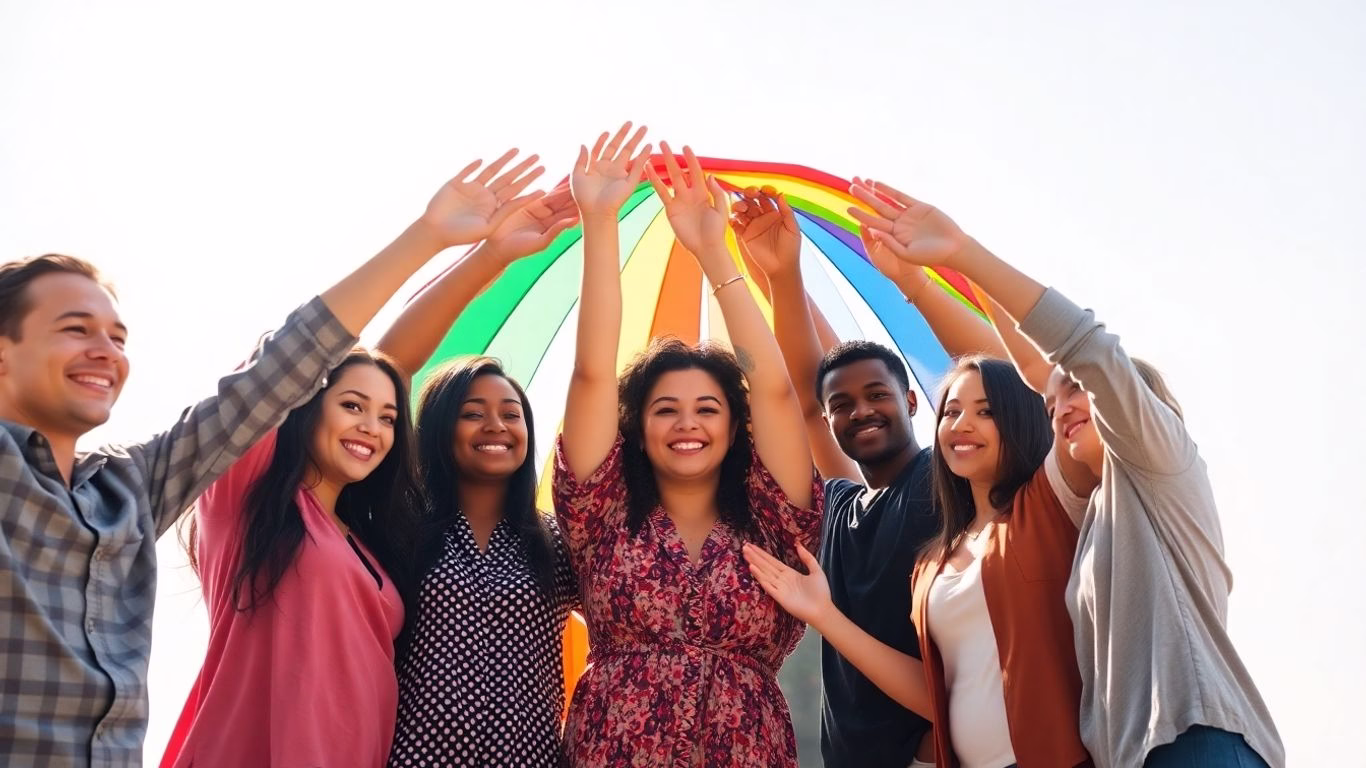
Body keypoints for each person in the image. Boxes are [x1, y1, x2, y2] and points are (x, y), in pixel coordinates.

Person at [0, 147, 546, 767]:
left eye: (390, 417)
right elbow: (290, 365)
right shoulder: (251, 492)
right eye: (76, 329)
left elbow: (370, 374)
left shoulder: (127, 489)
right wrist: (439, 243)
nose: (372, 425)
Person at [846, 178, 1284, 767]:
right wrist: (921, 280)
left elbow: (1077, 354)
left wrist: (961, 256)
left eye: (1078, 392)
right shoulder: (1100, 514)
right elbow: (1040, 372)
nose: (1060, 406)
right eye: (1052, 406)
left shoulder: (1162, 462)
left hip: (1196, 740)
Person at [553, 125, 822, 767]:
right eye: (665, 410)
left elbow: (780, 395)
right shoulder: (602, 516)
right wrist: (599, 221)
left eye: (708, 409)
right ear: (636, 429)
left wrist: (714, 250)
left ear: (736, 427)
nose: (687, 424)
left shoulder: (773, 518)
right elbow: (593, 372)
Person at [732, 184, 1008, 767]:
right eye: (844, 405)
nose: (861, 411)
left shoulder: (945, 478)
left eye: (878, 395)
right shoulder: (840, 503)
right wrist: (782, 275)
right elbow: (811, 397)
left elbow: (1005, 387)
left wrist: (918, 281)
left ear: (911, 402)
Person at [746, 354, 1094, 768]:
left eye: (986, 411)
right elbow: (938, 688)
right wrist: (822, 614)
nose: (963, 424)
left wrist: (916, 286)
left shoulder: (1043, 509)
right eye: (951, 412)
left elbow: (1064, 381)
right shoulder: (933, 563)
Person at [378, 182, 582, 767]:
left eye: (511, 414)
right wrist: (490, 256)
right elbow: (379, 370)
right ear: (438, 428)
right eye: (473, 413)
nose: (496, 426)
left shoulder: (555, 543)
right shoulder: (399, 527)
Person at [163, 348, 422, 767]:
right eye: (352, 405)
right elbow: (267, 377)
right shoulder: (248, 501)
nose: (371, 428)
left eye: (388, 418)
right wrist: (468, 276)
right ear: (305, 407)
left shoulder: (372, 544)